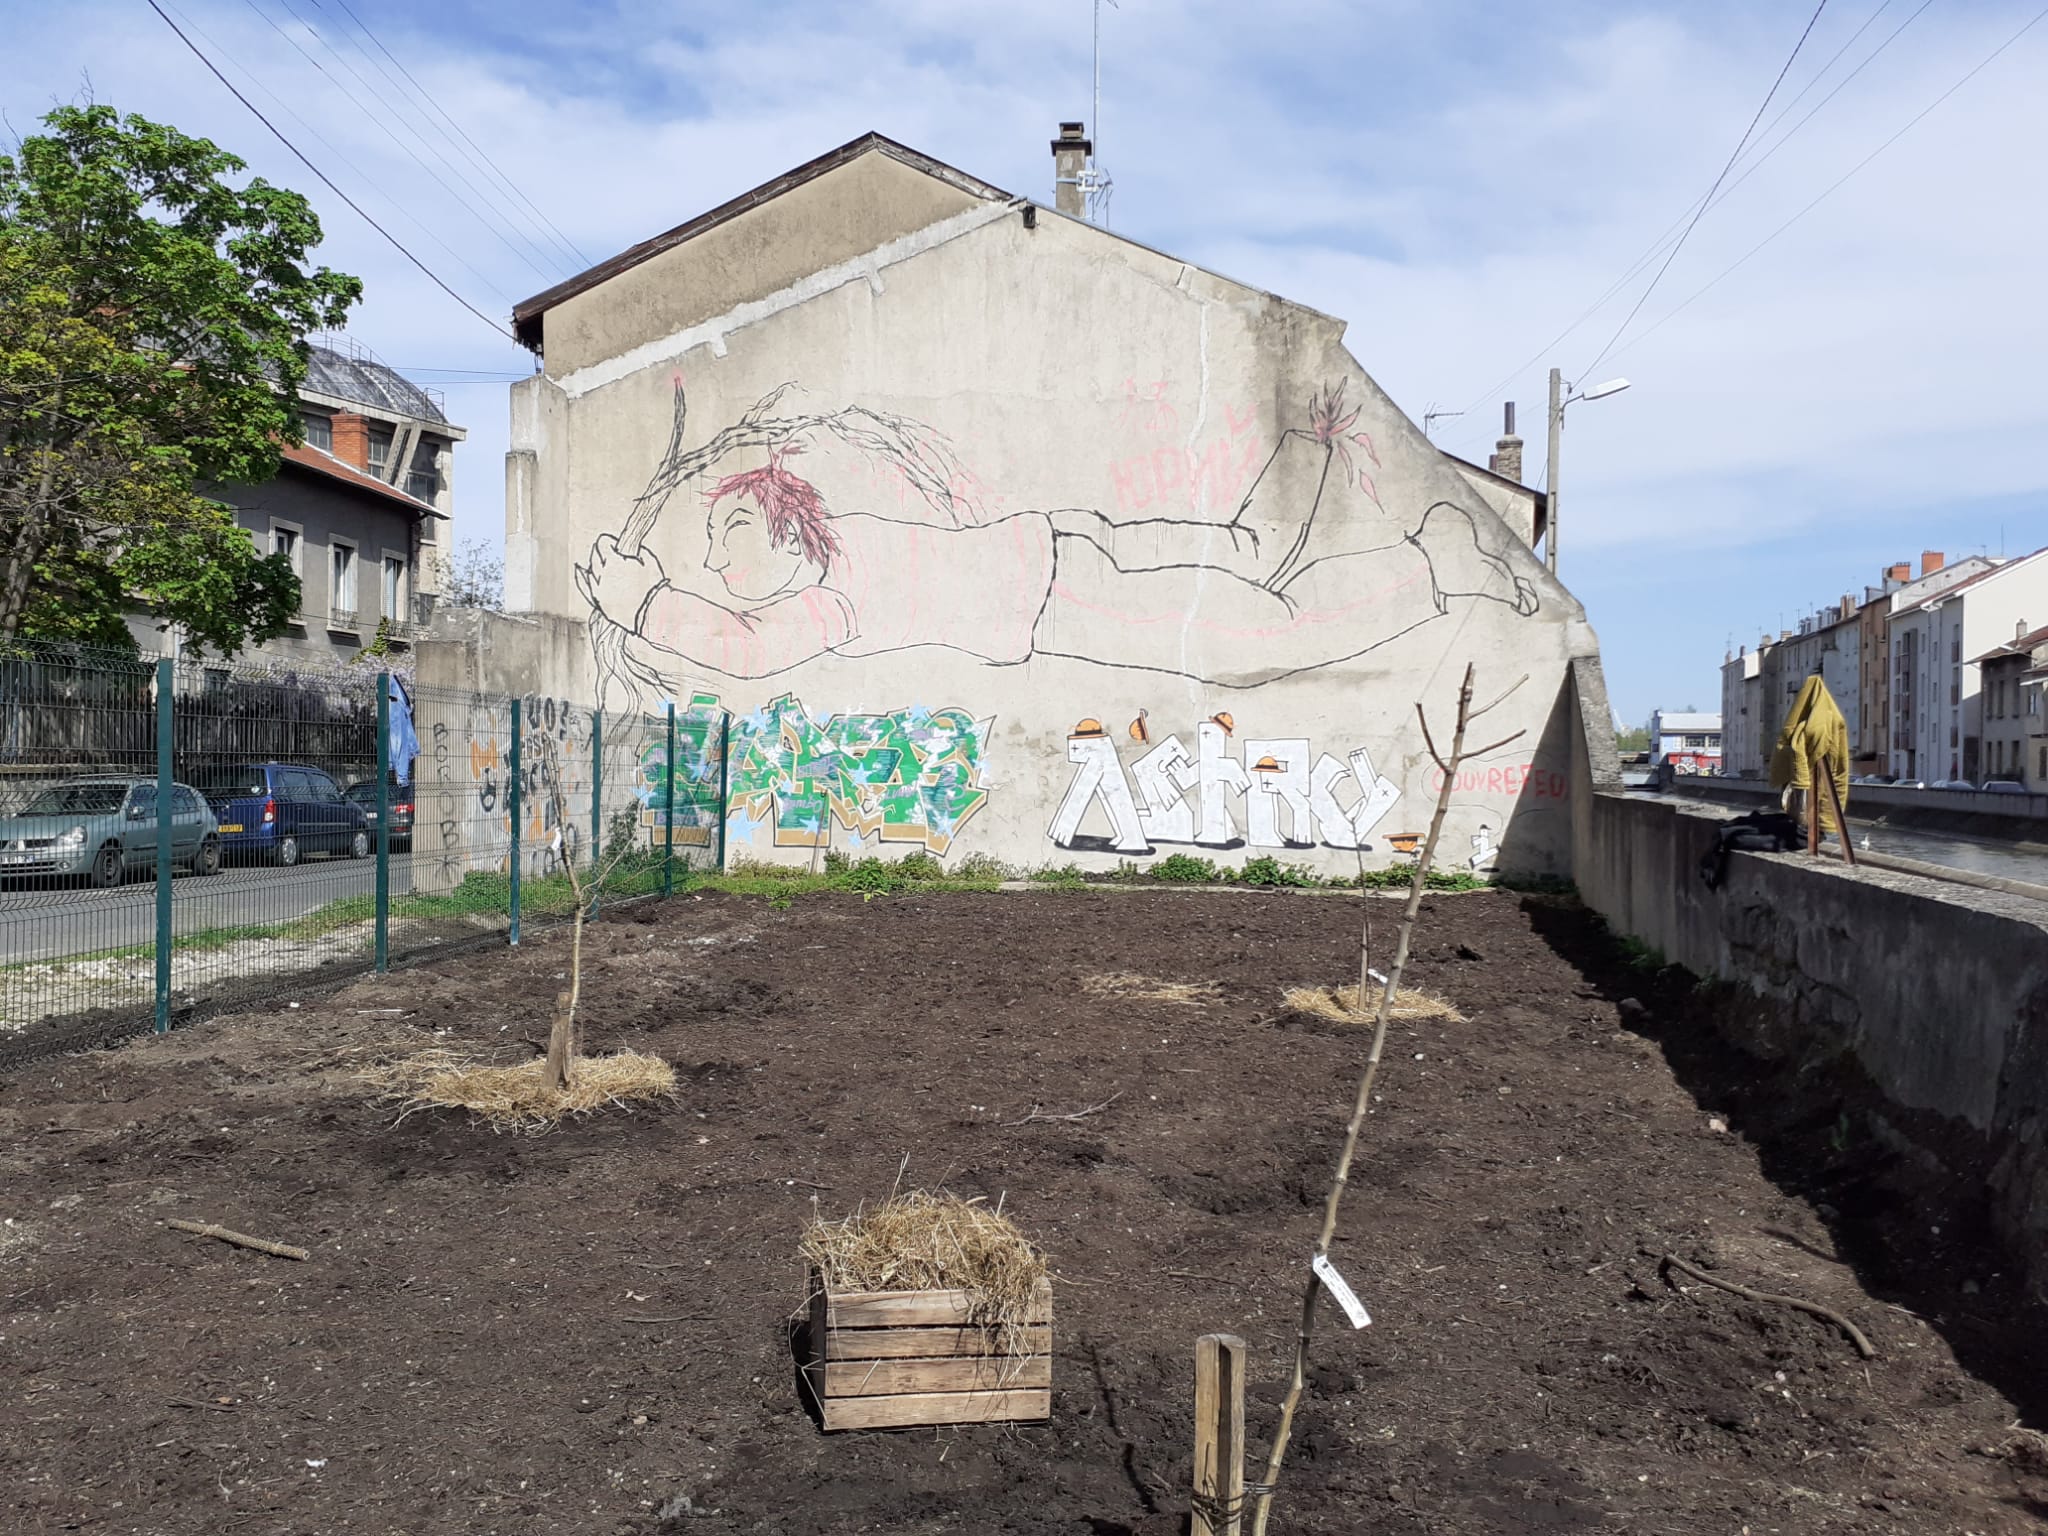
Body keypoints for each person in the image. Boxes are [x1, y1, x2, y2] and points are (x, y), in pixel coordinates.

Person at [580, 394, 1539, 689]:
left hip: (1051, 596)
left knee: (1252, 646)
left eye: (729, 533)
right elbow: (750, 621)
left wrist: (645, 604)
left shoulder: (834, 590)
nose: (718, 559)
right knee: (1241, 558)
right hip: (1057, 545)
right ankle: (1313, 472)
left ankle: (1429, 564)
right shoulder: (842, 548)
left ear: (785, 527)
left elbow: (752, 649)